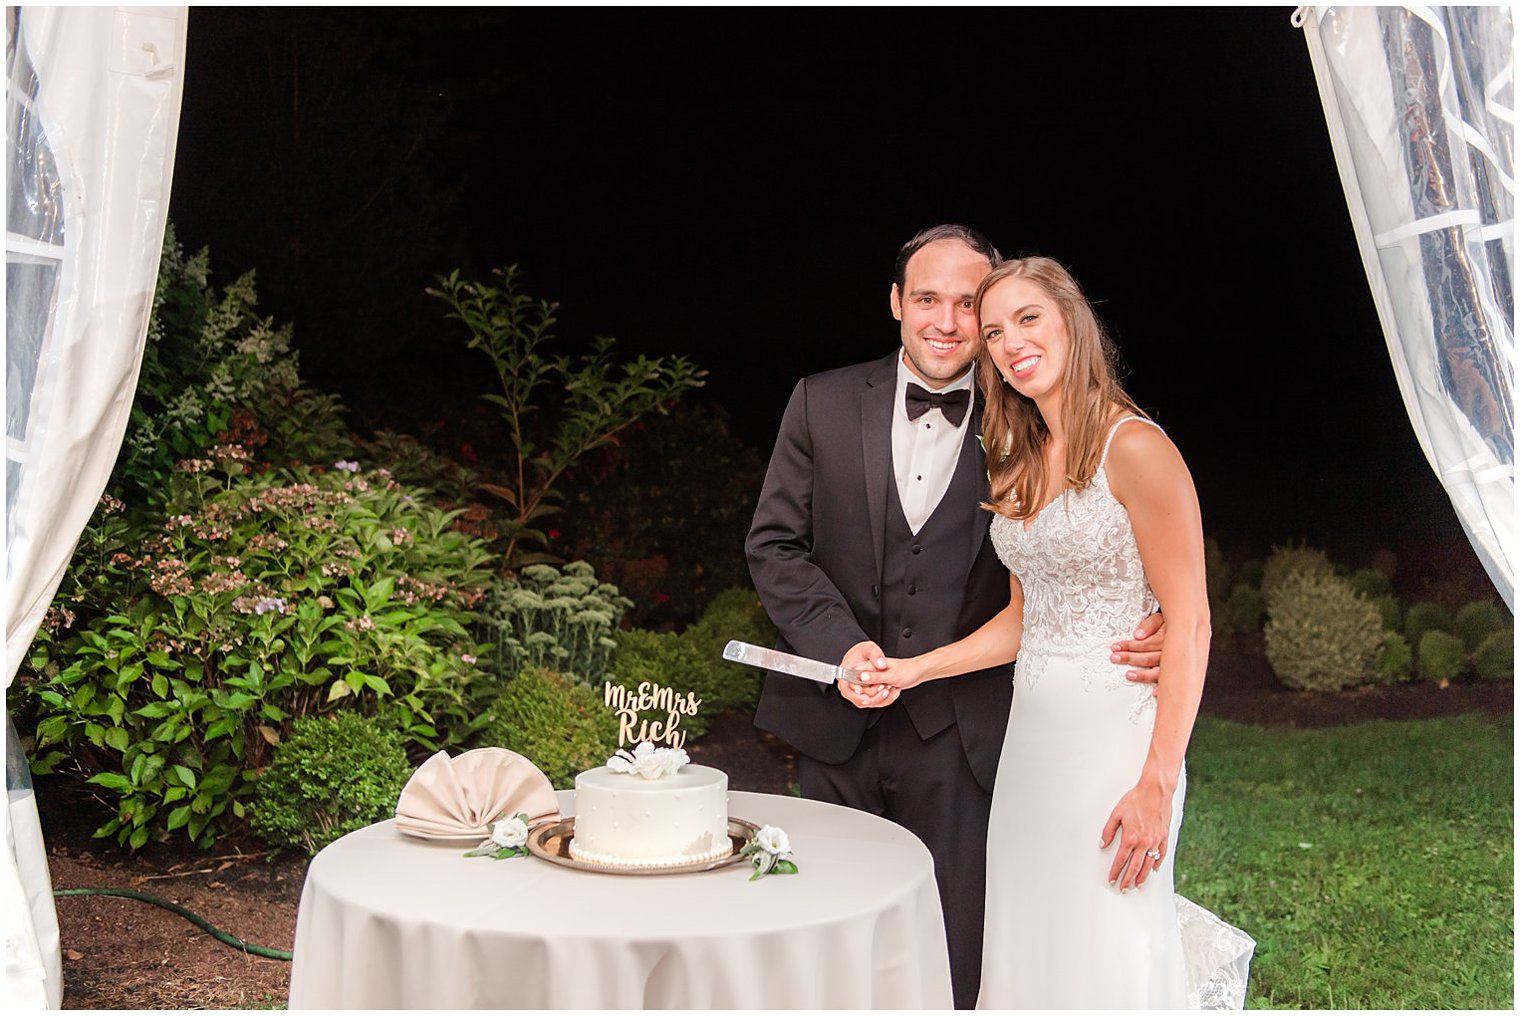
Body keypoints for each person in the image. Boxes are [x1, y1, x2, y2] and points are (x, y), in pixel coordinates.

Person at [744, 228, 1165, 1009]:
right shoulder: (821, 401)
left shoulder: (1035, 424)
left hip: (969, 736)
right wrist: (842, 648)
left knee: (959, 945)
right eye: (927, 298)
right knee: (825, 932)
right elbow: (774, 546)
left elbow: (1099, 539)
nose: (946, 320)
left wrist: (1160, 614)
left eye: (969, 304)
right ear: (897, 303)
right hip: (833, 727)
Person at [859, 255, 1225, 1008]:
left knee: (1106, 940)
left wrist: (1157, 783)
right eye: (993, 331)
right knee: (1031, 939)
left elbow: (1190, 623)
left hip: (1116, 744)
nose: (1010, 342)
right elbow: (1025, 621)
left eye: (1028, 318)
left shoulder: (1136, 448)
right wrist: (914, 669)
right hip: (1032, 746)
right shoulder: (1018, 460)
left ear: (1072, 321)